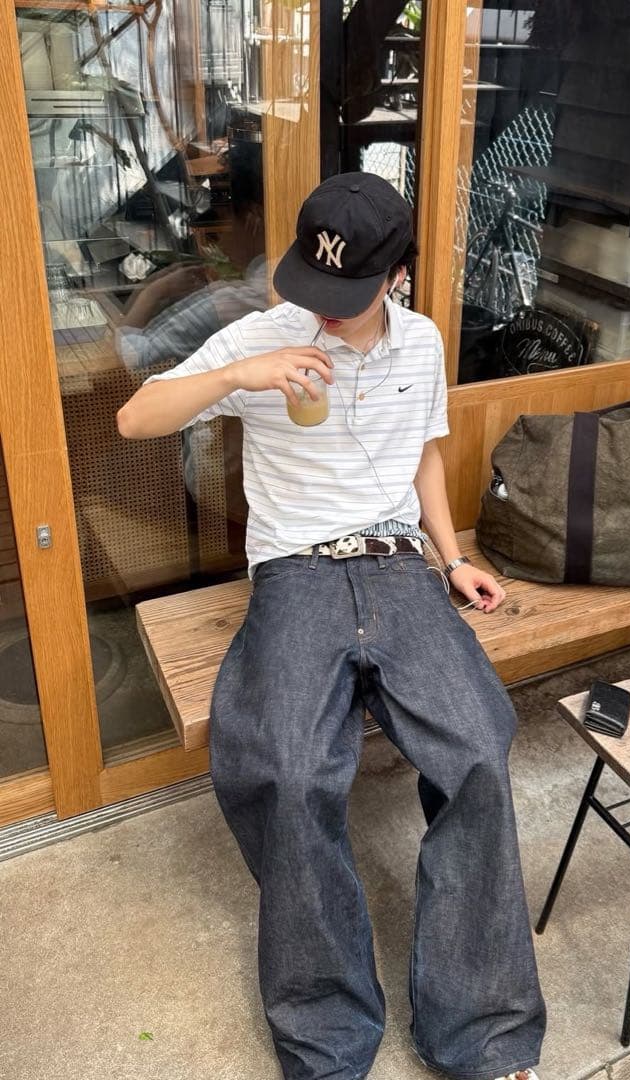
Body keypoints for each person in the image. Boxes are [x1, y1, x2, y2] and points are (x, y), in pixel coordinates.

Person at [116, 172, 547, 1080]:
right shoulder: (262, 336)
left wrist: (452, 558)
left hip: (398, 564)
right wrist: (237, 376)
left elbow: (423, 454)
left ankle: (481, 1031)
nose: (322, 311)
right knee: (283, 769)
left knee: (478, 746)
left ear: (396, 276)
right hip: (297, 572)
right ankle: (326, 1042)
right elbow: (133, 418)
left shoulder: (421, 341)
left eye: (345, 295)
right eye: (314, 286)